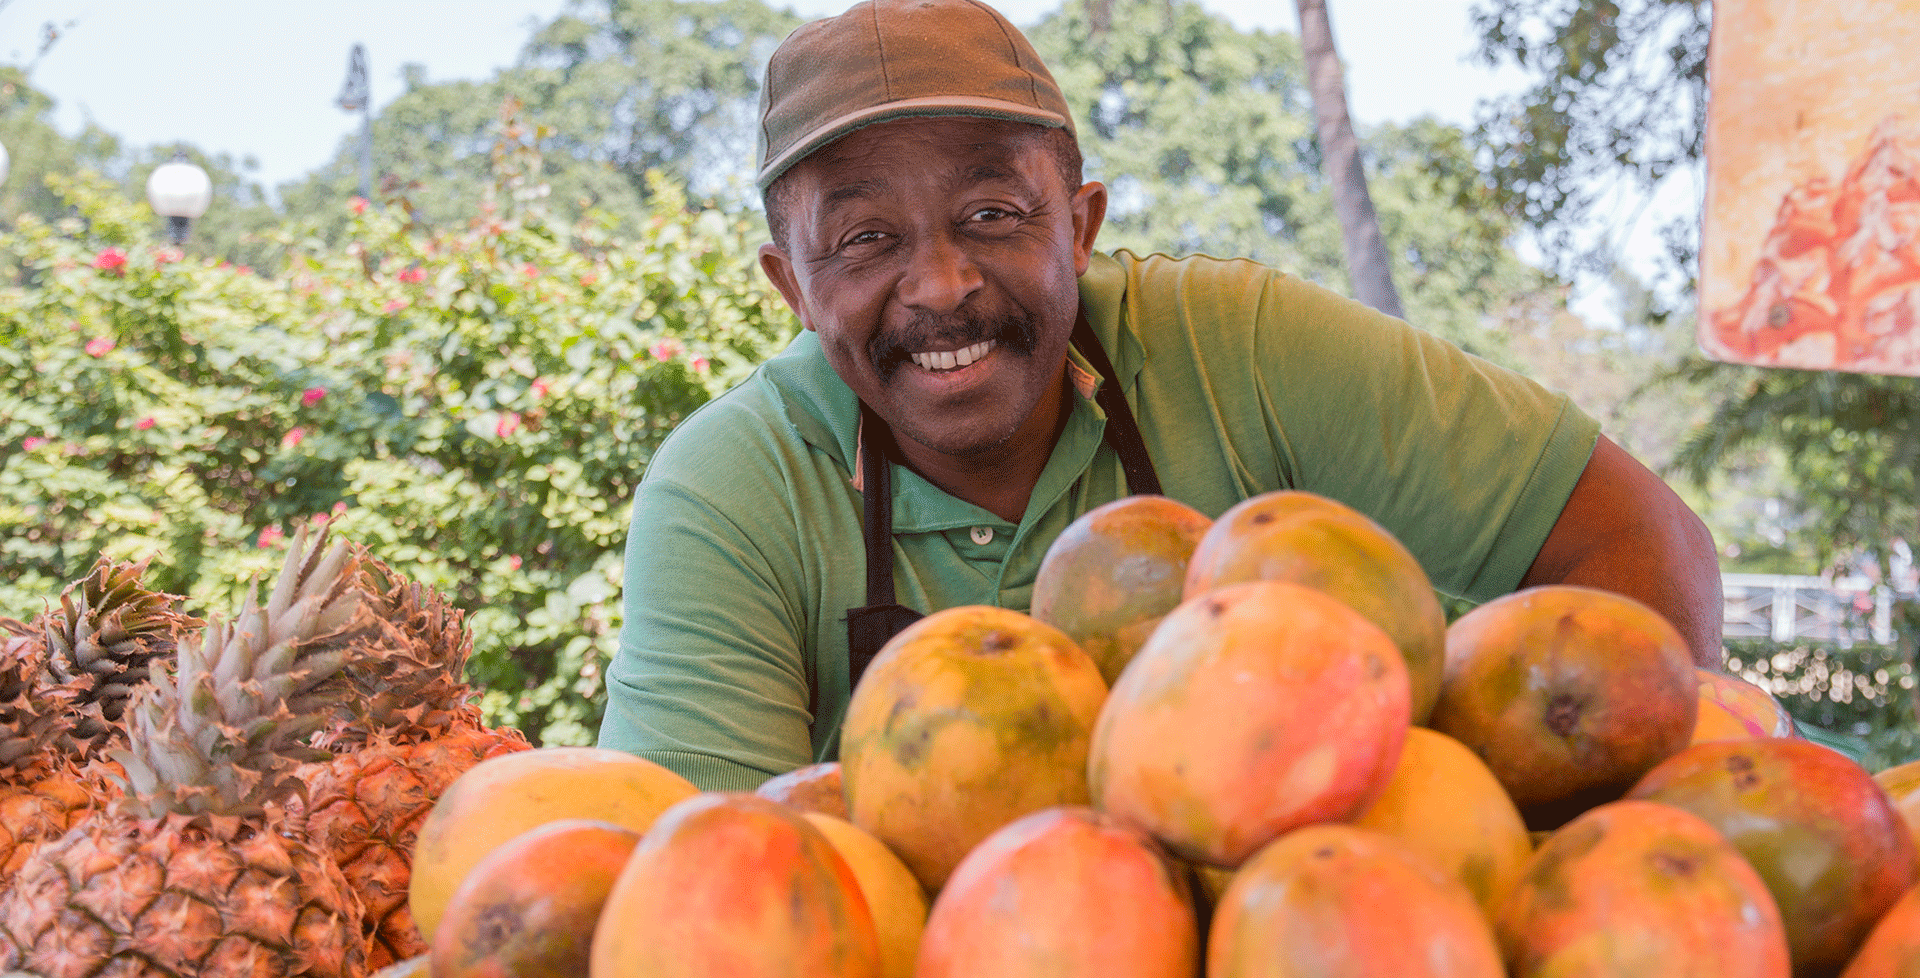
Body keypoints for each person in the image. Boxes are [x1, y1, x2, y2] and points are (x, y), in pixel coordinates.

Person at [597, 0, 1722, 790]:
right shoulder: (730, 492)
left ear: (1080, 228)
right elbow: (701, 889)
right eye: (865, 238)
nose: (941, 284)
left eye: (994, 214)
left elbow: (1635, 539)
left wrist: (1537, 844)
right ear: (790, 284)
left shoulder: (1248, 350)